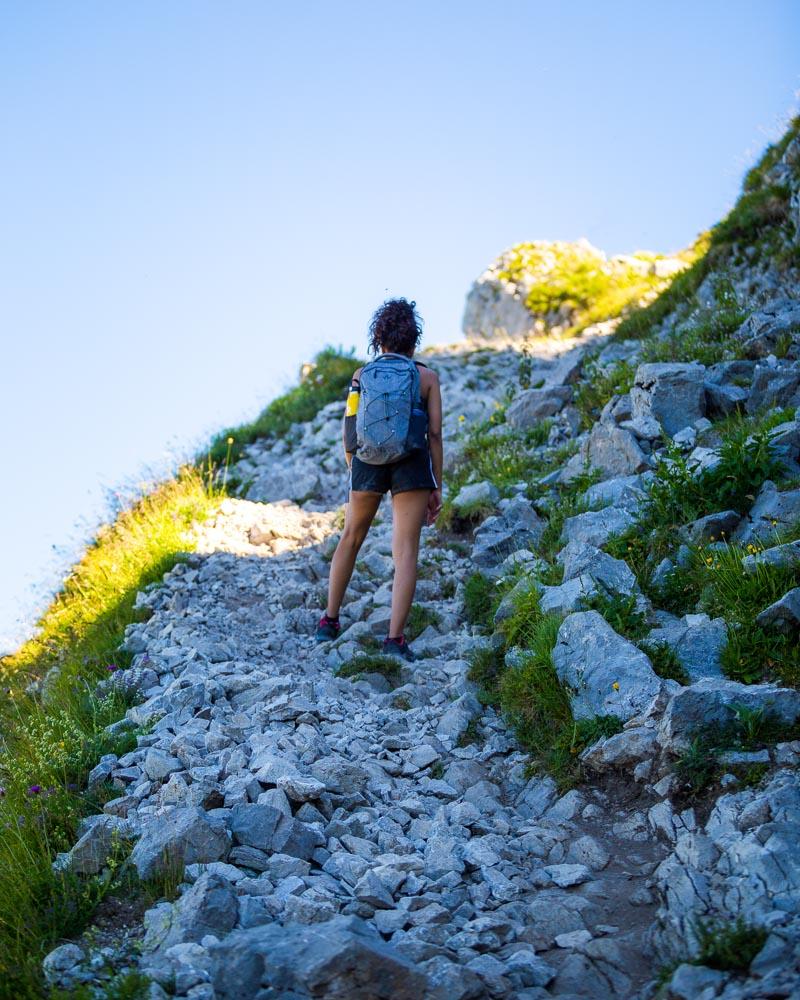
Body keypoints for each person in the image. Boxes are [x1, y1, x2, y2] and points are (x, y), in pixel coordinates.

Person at [315, 298, 443, 661]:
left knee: (351, 537)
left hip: (367, 461)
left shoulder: (361, 376)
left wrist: (354, 465)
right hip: (412, 462)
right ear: (413, 339)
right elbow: (434, 434)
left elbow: (350, 425)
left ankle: (330, 621)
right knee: (405, 552)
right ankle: (394, 640)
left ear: (379, 338)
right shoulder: (427, 378)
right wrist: (436, 483)